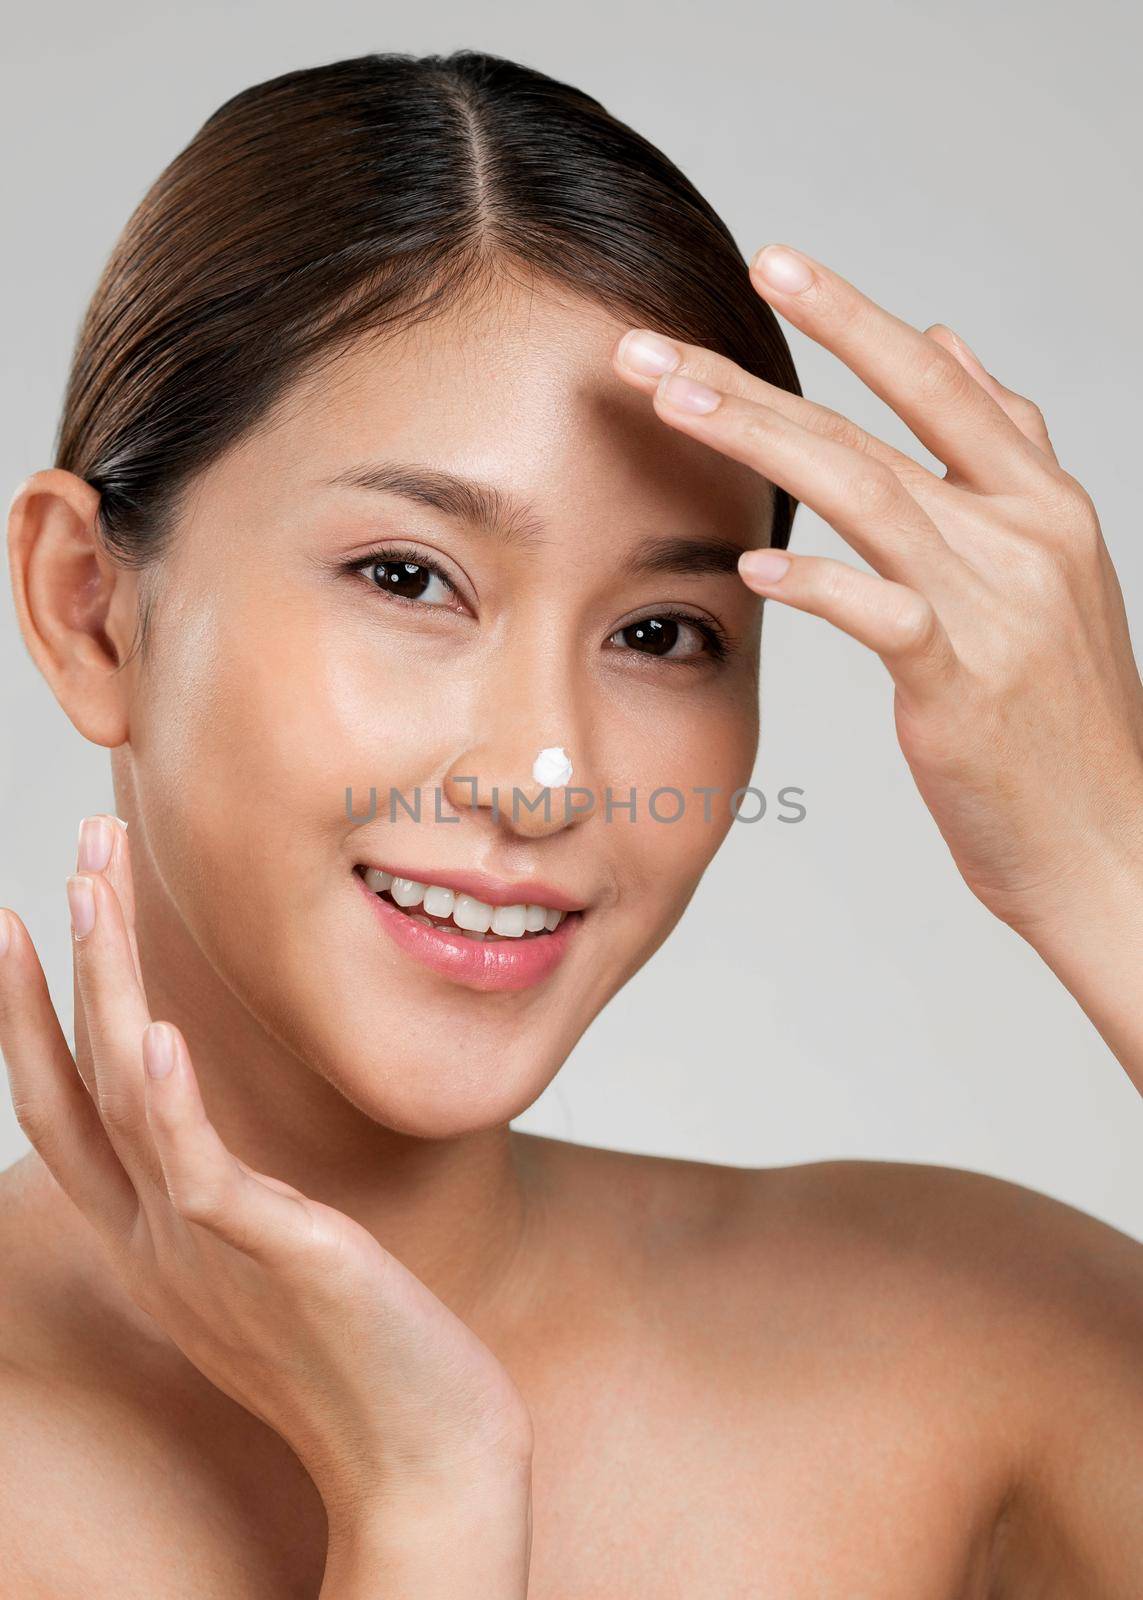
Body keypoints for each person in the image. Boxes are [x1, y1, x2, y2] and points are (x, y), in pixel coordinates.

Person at [0, 47, 1140, 1599]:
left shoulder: (984, 1355)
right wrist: (424, 1500)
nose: (545, 777)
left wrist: (1110, 862)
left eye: (663, 632)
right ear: (91, 610)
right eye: (410, 577)